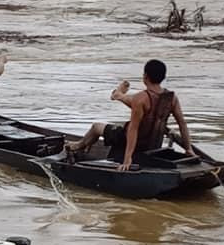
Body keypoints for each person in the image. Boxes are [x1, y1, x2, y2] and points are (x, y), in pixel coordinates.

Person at [65, 59, 195, 171]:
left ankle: (78, 146)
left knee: (96, 127)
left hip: (131, 140)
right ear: (163, 77)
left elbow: (133, 129)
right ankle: (119, 95)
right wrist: (188, 148)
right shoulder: (171, 98)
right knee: (136, 103)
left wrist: (128, 159)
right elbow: (182, 123)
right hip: (154, 143)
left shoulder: (141, 98)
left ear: (145, 76)